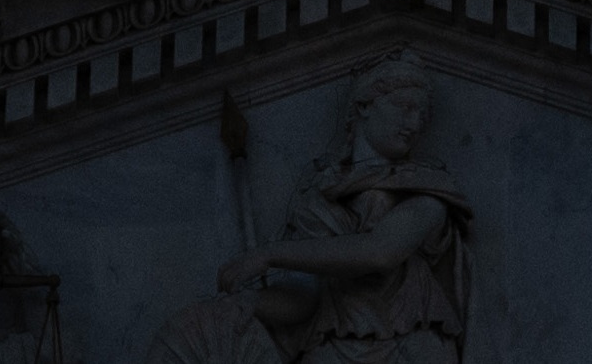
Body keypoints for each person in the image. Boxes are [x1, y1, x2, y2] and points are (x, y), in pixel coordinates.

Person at [191, 58, 469, 361]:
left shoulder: (428, 190)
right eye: (404, 106)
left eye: (422, 115)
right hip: (331, 343)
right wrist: (248, 303)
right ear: (364, 106)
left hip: (413, 344)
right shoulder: (316, 198)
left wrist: (268, 255)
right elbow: (303, 299)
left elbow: (381, 252)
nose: (414, 125)